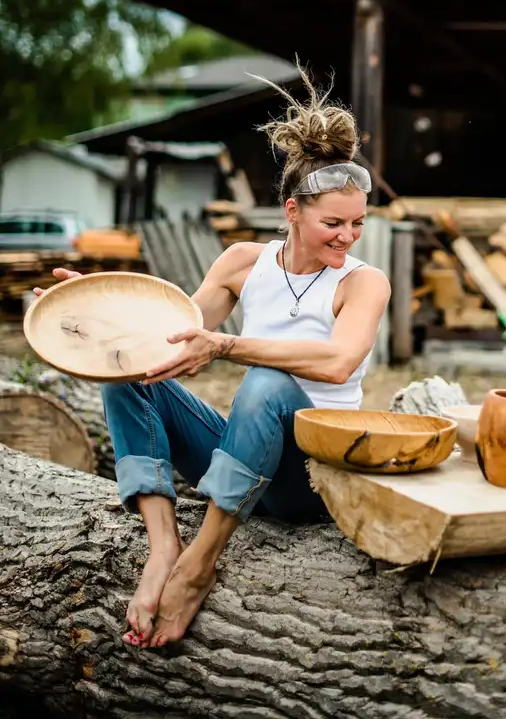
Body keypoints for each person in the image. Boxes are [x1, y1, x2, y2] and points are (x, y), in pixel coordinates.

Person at [33, 68, 391, 649]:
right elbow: (168, 336)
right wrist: (88, 309)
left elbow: (337, 363)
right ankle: (163, 546)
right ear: (291, 210)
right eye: (333, 222)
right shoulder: (243, 262)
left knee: (270, 382)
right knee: (131, 374)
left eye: (357, 223)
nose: (348, 236)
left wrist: (227, 346)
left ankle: (200, 562)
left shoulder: (364, 283)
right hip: (246, 454)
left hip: (310, 479)